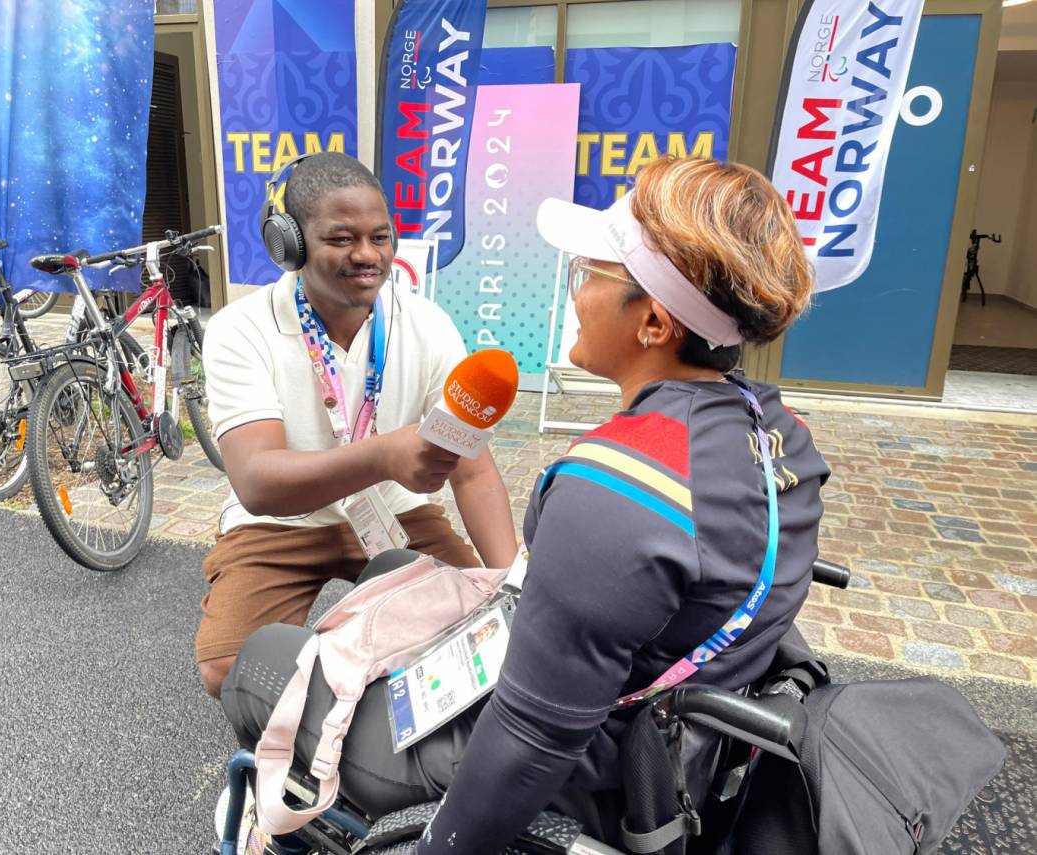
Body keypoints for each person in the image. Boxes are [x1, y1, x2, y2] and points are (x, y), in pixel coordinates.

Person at [220, 156, 830, 851]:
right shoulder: (781, 433)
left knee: (264, 657)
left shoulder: (612, 491)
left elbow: (531, 737)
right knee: (393, 565)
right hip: (667, 736)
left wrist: (440, 847)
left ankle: (290, 830)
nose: (572, 290)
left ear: (655, 323)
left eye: (589, 272)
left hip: (578, 764)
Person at [196, 152, 518, 698]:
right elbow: (255, 483)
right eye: (341, 239)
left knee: (481, 632)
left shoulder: (428, 325)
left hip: (396, 513)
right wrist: (383, 454)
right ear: (289, 244)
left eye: (381, 237)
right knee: (229, 667)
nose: (367, 255)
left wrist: (512, 584)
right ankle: (344, 706)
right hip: (284, 525)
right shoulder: (239, 330)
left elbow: (473, 472)